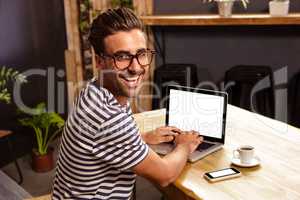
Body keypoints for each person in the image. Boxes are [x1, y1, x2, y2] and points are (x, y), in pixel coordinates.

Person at [52, 7, 203, 200]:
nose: (135, 67)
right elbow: (165, 175)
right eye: (121, 57)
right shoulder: (108, 117)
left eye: (141, 54)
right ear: (99, 61)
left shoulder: (94, 89)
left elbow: (104, 138)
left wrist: (143, 137)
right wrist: (185, 145)